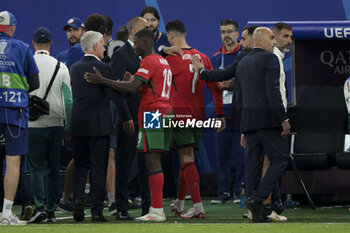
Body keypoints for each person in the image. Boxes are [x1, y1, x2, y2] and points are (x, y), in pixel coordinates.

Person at [85, 28, 173, 222]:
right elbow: (142, 86)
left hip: (153, 113)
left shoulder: (149, 60)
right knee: (153, 160)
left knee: (152, 161)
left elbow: (133, 87)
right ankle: (155, 207)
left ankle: (157, 209)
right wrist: (128, 81)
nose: (134, 46)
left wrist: (102, 80)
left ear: (146, 43)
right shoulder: (162, 60)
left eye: (137, 42)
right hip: (165, 111)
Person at [163, 20, 225, 219]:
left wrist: (163, 49)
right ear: (185, 33)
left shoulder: (167, 59)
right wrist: (221, 115)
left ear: (171, 36)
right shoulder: (203, 57)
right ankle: (180, 203)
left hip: (178, 115)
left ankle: (198, 206)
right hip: (198, 115)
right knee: (186, 159)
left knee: (186, 158)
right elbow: (215, 89)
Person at [235, 27, 290, 223]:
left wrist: (243, 125)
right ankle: (258, 200)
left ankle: (255, 212)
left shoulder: (243, 62)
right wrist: (283, 118)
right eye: (271, 38)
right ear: (259, 40)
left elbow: (239, 98)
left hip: (249, 121)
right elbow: (273, 92)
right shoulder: (270, 59)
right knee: (281, 158)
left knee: (253, 166)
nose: (274, 42)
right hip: (268, 120)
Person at [69, 31, 123, 222]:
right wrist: (121, 83)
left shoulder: (73, 68)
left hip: (77, 124)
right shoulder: (103, 68)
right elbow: (114, 96)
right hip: (99, 125)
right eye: (102, 44)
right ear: (94, 47)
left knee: (81, 166)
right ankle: (97, 211)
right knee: (99, 168)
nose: (104, 47)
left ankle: (78, 200)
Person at [27, 27, 72, 224]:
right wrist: (68, 126)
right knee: (54, 168)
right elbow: (69, 100)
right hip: (55, 123)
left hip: (32, 123)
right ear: (51, 44)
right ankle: (52, 211)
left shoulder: (26, 63)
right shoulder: (61, 66)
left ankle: (40, 207)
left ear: (33, 43)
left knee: (36, 168)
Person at [108, 16, 151, 220]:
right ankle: (122, 208)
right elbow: (116, 88)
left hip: (147, 118)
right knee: (124, 164)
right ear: (134, 33)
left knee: (147, 162)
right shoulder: (120, 54)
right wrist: (125, 116)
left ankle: (148, 207)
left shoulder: (148, 53)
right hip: (129, 119)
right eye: (145, 30)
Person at [0, 10, 39, 225]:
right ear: (12, 28)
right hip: (14, 111)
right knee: (13, 161)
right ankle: (6, 213)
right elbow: (34, 84)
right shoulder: (23, 48)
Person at [209, 19, 245, 205]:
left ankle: (239, 190)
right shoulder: (215, 58)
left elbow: (249, 82)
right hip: (221, 112)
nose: (227, 35)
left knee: (241, 153)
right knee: (221, 154)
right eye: (223, 32)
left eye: (230, 31)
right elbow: (210, 84)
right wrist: (218, 85)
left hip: (240, 112)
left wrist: (234, 84)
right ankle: (223, 191)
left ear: (237, 34)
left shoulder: (245, 55)